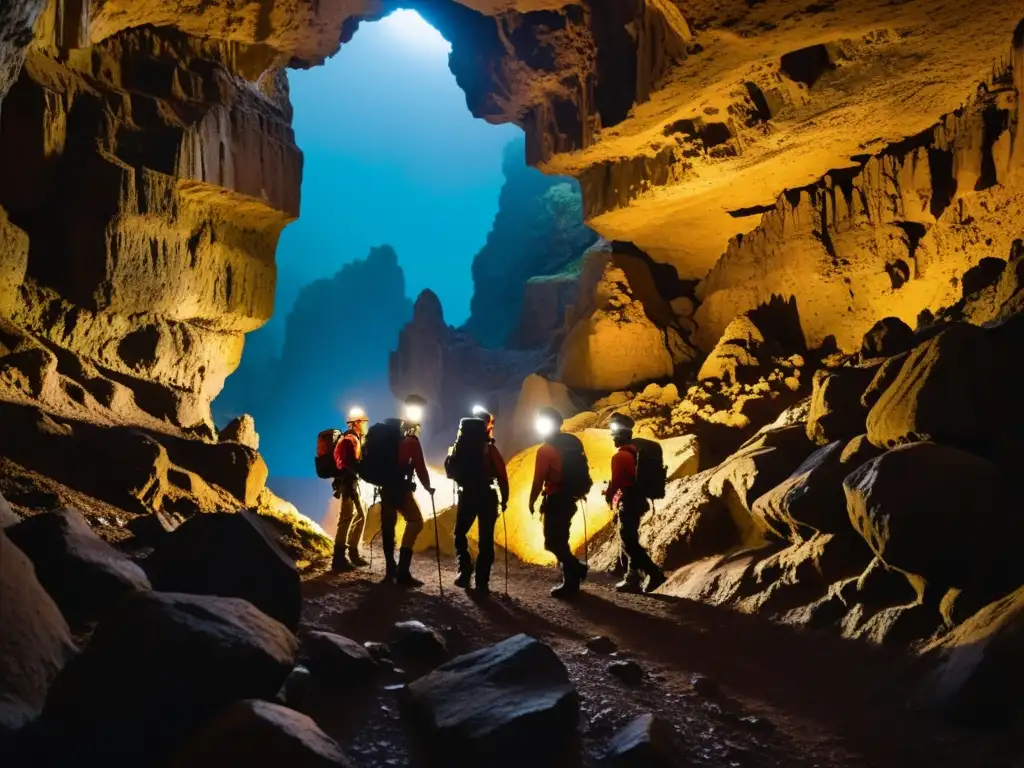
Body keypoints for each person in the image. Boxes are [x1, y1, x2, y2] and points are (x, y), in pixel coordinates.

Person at [529, 406, 588, 598]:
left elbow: (539, 479)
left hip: (556, 498)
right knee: (560, 539)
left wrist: (532, 500)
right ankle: (573, 572)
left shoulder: (546, 450)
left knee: (553, 541)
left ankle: (573, 574)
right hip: (570, 497)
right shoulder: (573, 443)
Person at [450, 406, 509, 595]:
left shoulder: (459, 446)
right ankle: (482, 581)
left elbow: (451, 470)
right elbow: (502, 475)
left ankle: (465, 567)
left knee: (460, 533)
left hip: (467, 494)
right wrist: (504, 499)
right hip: (486, 495)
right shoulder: (488, 448)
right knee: (486, 540)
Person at [607, 412, 666, 594]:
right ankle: (632, 578)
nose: (612, 438)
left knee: (628, 540)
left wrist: (610, 496)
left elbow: (617, 481)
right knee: (631, 538)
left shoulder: (620, 457)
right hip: (640, 500)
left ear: (621, 435)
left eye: (614, 434)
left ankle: (654, 573)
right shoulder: (635, 453)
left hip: (630, 501)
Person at [379, 394, 433, 587]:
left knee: (388, 526)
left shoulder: (392, 437)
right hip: (400, 489)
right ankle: (403, 571)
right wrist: (428, 487)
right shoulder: (410, 440)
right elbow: (420, 467)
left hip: (385, 488)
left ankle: (390, 569)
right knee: (416, 522)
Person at [330, 406, 369, 572]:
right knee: (346, 519)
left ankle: (352, 553)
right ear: (357, 423)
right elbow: (347, 463)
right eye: (364, 422)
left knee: (359, 515)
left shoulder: (351, 438)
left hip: (347, 483)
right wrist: (361, 473)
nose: (366, 425)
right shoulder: (350, 439)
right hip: (348, 484)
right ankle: (339, 558)